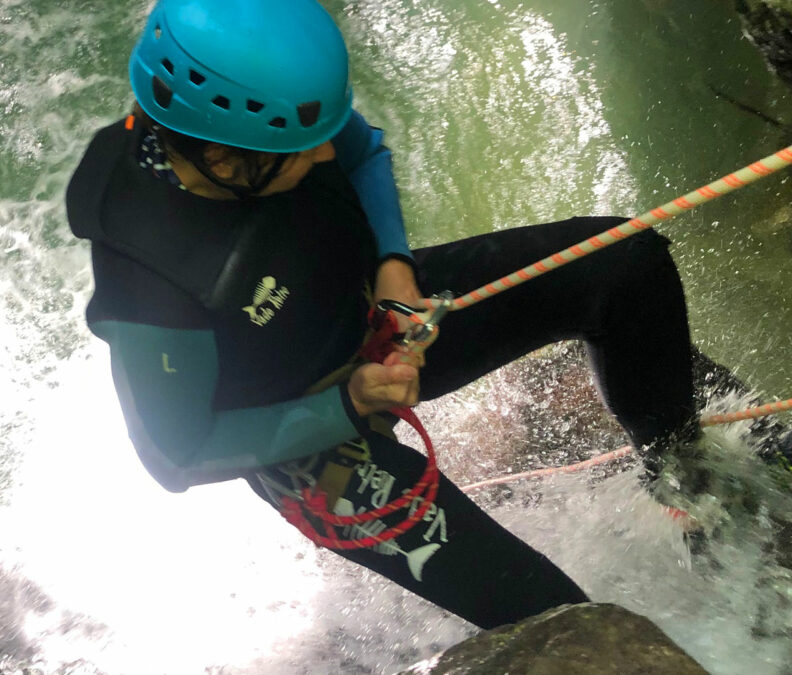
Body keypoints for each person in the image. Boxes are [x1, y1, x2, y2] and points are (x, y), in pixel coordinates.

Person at [66, 0, 707, 629]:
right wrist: (348, 403)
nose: (324, 158)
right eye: (302, 153)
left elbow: (363, 151)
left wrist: (393, 267)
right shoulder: (146, 290)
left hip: (373, 311)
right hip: (307, 435)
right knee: (560, 619)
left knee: (625, 264)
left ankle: (684, 477)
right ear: (227, 159)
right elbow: (177, 455)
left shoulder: (260, 123)